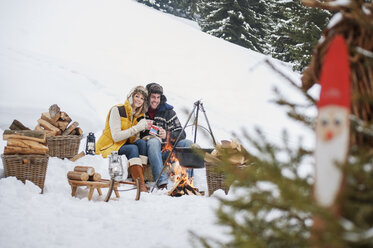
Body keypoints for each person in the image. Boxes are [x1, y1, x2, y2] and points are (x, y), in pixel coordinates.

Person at [96, 86, 149, 192]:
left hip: (122, 144)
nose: (139, 100)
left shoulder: (138, 116)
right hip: (109, 146)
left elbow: (132, 138)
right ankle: (141, 184)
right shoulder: (118, 110)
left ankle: (139, 178)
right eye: (136, 96)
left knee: (142, 143)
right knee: (133, 149)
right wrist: (137, 128)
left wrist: (147, 134)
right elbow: (116, 137)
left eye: (142, 98)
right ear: (131, 96)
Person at [141, 83, 192, 189]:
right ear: (147, 97)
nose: (155, 100)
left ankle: (187, 180)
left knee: (188, 143)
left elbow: (181, 133)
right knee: (153, 141)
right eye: (153, 97)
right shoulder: (141, 111)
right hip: (151, 152)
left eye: (158, 97)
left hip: (168, 152)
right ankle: (162, 182)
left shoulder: (168, 112)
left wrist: (167, 134)